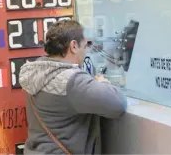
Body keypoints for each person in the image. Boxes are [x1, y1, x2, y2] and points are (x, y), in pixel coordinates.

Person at [19, 20, 127, 154]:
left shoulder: (36, 73)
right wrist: (103, 82)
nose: (86, 50)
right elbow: (118, 104)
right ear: (74, 46)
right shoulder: (72, 81)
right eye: (85, 44)